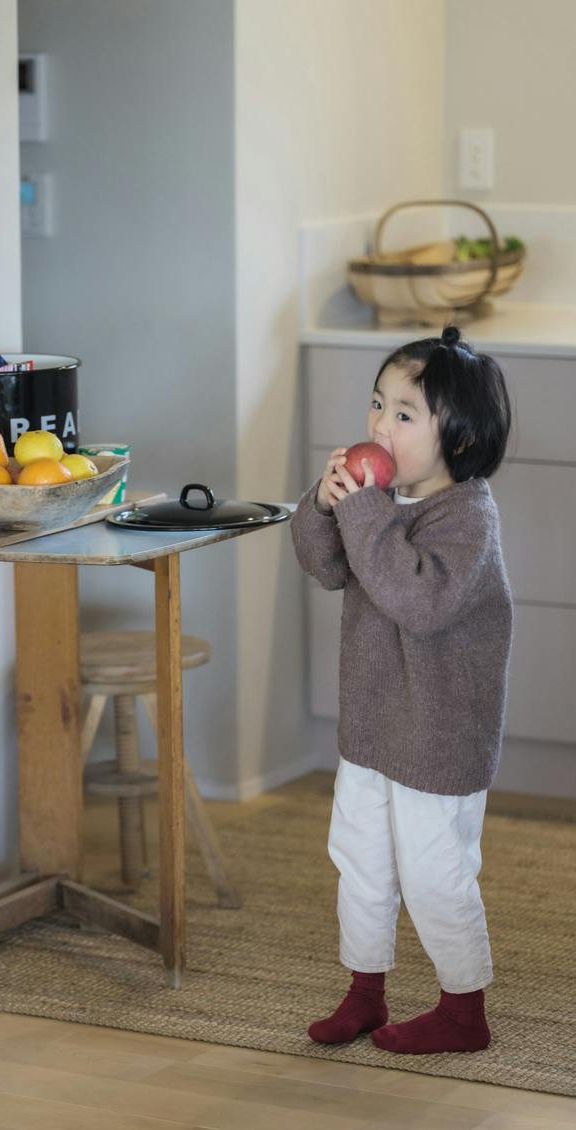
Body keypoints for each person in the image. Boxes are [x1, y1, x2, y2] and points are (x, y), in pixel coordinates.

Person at [290, 324, 513, 1054]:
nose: (381, 424)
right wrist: (324, 506)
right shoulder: (380, 502)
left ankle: (464, 1009)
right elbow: (328, 566)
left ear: (460, 437)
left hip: (437, 735)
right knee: (360, 860)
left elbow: (416, 600)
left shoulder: (468, 519)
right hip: (373, 724)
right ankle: (366, 992)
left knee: (435, 871)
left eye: (405, 413)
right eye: (377, 403)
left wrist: (362, 512)